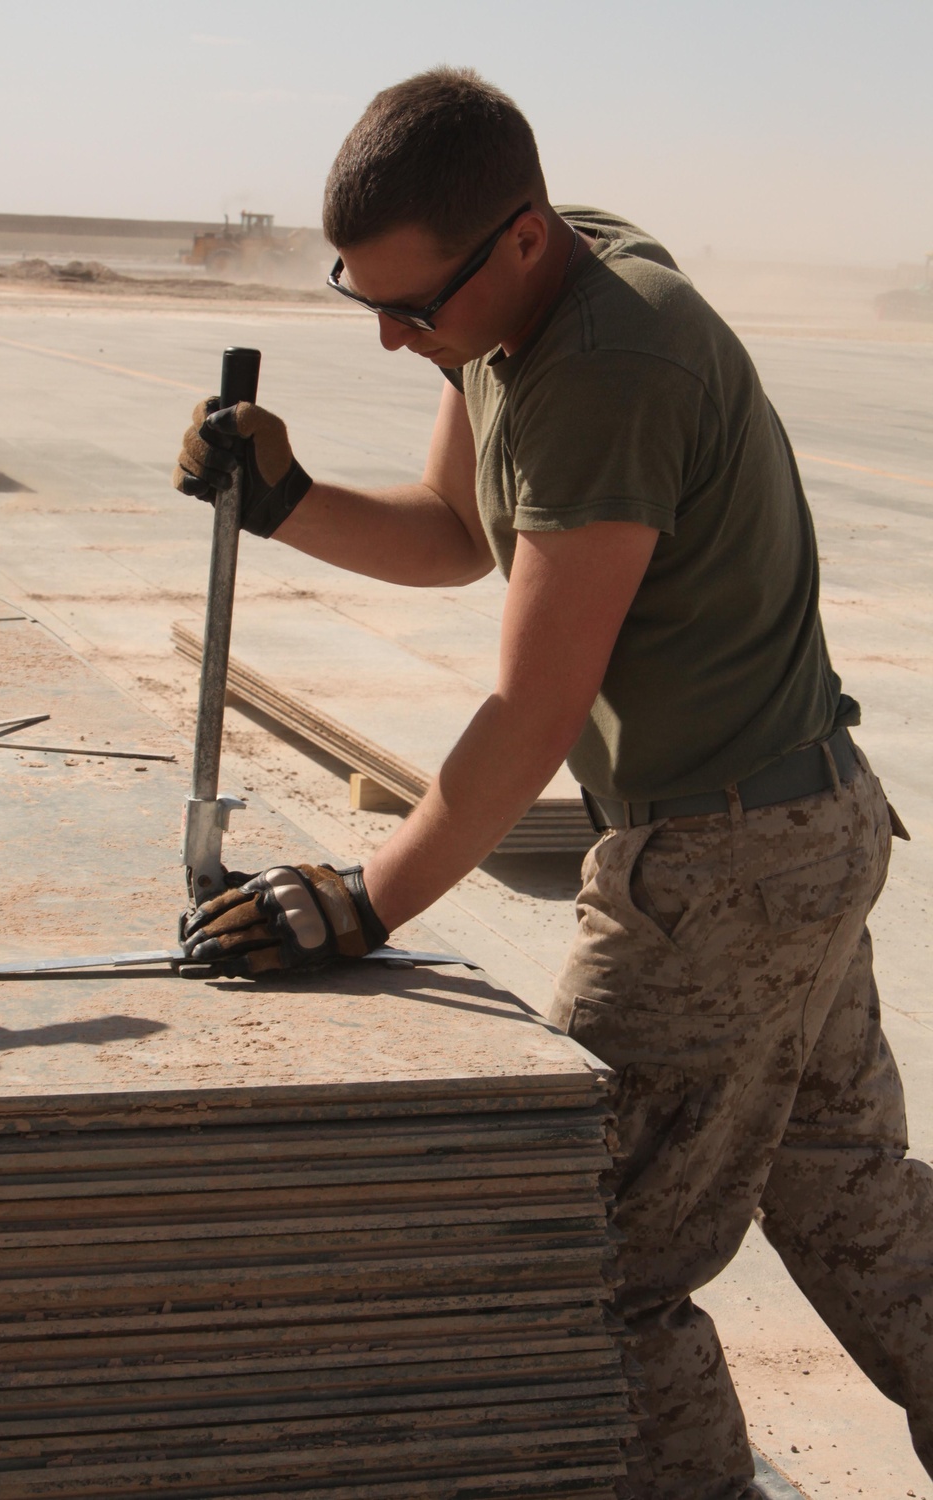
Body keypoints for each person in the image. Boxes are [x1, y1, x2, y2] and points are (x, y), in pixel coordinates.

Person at [173, 67, 933, 1499]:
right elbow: (459, 530)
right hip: (801, 829)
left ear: (521, 237)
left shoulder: (608, 368)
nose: (395, 338)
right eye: (363, 303)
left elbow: (534, 708)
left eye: (416, 307)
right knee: (854, 1209)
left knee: (578, 1263)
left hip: (723, 879)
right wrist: (284, 499)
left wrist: (362, 899)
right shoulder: (538, 279)